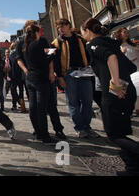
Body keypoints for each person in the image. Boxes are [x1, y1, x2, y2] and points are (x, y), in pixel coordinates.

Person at [81, 18, 139, 175]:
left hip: (115, 91)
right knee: (119, 132)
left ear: (88, 31)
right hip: (128, 90)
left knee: (113, 134)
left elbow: (110, 58)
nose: (83, 36)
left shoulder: (93, 44)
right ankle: (132, 168)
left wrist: (115, 81)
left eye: (83, 32)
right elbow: (130, 66)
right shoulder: (111, 43)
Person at [16, 20, 66, 141]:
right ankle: (45, 134)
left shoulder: (25, 44)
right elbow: (50, 56)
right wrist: (52, 69)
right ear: (36, 31)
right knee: (44, 107)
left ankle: (39, 131)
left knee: (34, 106)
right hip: (41, 78)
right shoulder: (40, 42)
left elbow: (23, 59)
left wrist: (27, 71)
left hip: (31, 78)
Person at [52, 18, 97, 139]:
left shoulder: (80, 39)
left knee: (87, 101)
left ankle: (87, 126)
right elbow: (55, 62)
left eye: (62, 26)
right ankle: (80, 128)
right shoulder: (57, 42)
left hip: (83, 71)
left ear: (69, 26)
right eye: (58, 28)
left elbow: (89, 55)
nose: (60, 29)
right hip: (69, 73)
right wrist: (60, 77)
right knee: (73, 102)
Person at [115, 28, 139, 116]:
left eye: (127, 32)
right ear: (119, 34)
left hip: (136, 67)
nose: (127, 34)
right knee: (125, 90)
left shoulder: (132, 44)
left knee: (136, 88)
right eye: (124, 32)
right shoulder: (118, 45)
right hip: (125, 71)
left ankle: (136, 108)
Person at [7, 43, 27, 113]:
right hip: (21, 75)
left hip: (14, 76)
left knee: (13, 90)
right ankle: (22, 106)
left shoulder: (11, 55)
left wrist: (9, 75)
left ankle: (19, 101)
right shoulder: (20, 54)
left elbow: (10, 67)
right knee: (21, 90)